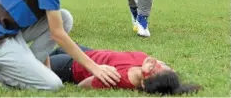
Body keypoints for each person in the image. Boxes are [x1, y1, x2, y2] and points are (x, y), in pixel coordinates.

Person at [49, 45, 202, 95]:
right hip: (84, 51)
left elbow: (85, 84)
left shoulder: (118, 78)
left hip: (72, 66)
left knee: (35, 61)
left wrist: (74, 87)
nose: (154, 63)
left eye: (154, 69)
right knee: (52, 47)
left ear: (144, 83)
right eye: (160, 65)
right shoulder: (143, 60)